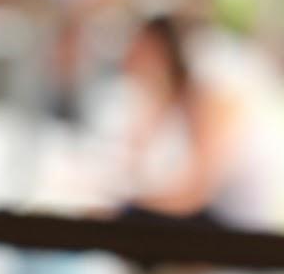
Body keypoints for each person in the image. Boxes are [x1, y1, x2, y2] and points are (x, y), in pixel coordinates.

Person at [114, 14, 268, 227]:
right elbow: (132, 162)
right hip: (207, 213)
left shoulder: (212, 95)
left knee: (125, 219)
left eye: (138, 48)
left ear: (161, 52)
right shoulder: (174, 95)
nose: (127, 58)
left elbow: (195, 193)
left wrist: (130, 205)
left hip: (234, 225)